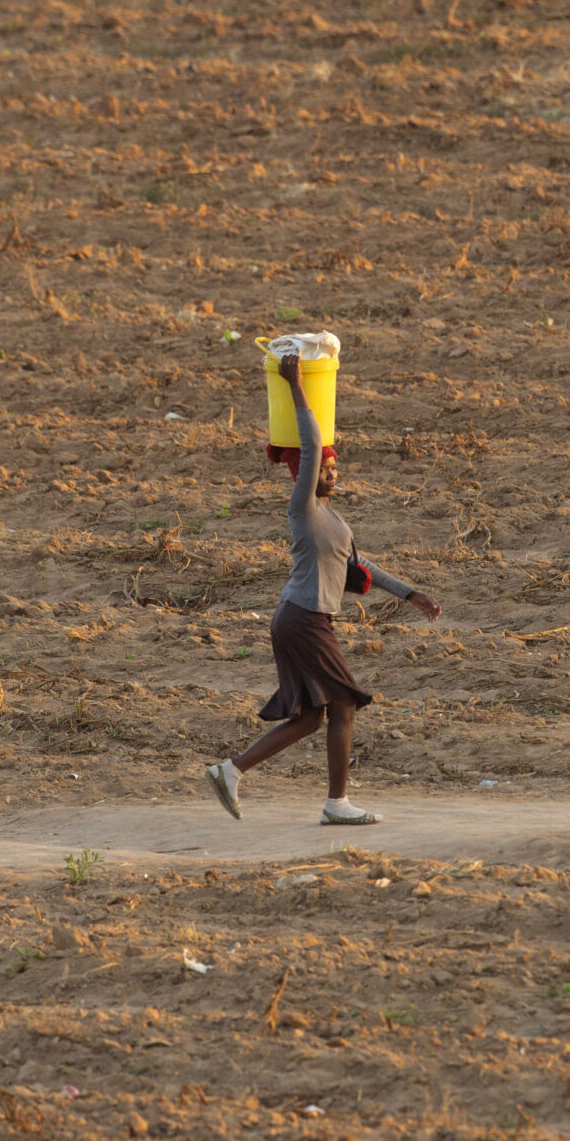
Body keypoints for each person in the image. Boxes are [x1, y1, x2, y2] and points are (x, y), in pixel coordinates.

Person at [205, 343, 439, 825]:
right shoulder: (303, 508)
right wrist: (295, 386)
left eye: (335, 469)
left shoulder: (331, 519)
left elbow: (361, 565)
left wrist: (410, 593)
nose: (332, 473)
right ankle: (336, 804)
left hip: (302, 620)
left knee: (313, 716)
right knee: (345, 704)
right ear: (306, 476)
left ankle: (230, 771)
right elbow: (310, 445)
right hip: (304, 619)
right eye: (326, 469)